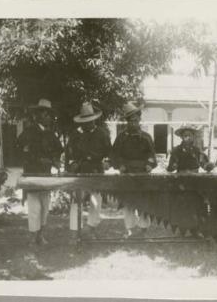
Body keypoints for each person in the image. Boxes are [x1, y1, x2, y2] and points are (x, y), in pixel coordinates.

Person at [17, 98, 62, 245]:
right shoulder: (28, 132)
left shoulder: (51, 134)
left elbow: (58, 150)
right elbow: (20, 149)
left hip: (46, 175)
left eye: (49, 115)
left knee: (44, 207)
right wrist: (36, 159)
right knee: (34, 208)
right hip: (32, 174)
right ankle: (33, 236)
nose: (48, 117)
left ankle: (41, 235)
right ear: (38, 115)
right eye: (45, 114)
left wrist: (54, 160)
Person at [67, 102, 111, 241]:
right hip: (79, 172)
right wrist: (71, 164)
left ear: (94, 120)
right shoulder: (75, 135)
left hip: (96, 170)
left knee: (95, 202)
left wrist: (107, 162)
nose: (87, 124)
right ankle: (74, 233)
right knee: (76, 201)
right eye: (84, 122)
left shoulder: (102, 134)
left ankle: (91, 229)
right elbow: (68, 154)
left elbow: (110, 152)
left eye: (90, 121)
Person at [111, 102, 157, 238]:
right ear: (127, 122)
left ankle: (144, 230)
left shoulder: (147, 137)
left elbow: (152, 155)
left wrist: (150, 164)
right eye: (130, 121)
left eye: (136, 120)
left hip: (143, 173)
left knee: (144, 203)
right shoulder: (121, 138)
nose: (133, 124)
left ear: (139, 120)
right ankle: (130, 230)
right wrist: (120, 165)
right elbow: (114, 155)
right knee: (128, 203)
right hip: (126, 173)